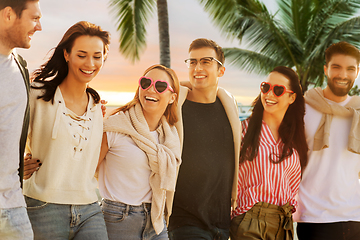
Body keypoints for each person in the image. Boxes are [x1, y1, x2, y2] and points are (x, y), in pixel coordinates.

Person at [22, 21, 110, 239]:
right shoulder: (36, 94)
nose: (90, 63)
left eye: (97, 56)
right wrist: (15, 165)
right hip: (43, 207)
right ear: (67, 54)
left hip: (90, 207)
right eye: (82, 55)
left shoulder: (98, 107)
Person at [97, 64, 181, 240]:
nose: (151, 89)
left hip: (156, 219)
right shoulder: (115, 126)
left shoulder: (169, 136)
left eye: (160, 86)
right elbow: (85, 169)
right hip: (118, 218)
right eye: (145, 82)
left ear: (172, 97)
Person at [168, 38, 241, 240]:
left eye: (206, 61)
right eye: (192, 62)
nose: (197, 67)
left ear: (221, 71)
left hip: (221, 222)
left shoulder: (229, 109)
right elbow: (149, 93)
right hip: (184, 220)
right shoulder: (175, 107)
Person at [230, 66, 308, 240]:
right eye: (266, 87)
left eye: (278, 90)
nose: (270, 94)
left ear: (292, 97)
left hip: (284, 223)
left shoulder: (294, 140)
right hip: (250, 218)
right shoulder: (243, 131)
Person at [295, 41, 360, 240]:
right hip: (314, 218)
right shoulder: (302, 108)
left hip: (355, 216)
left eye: (350, 69)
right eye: (336, 67)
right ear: (326, 69)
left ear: (357, 72)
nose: (343, 75)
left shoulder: (358, 110)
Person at [0, 0, 42, 239]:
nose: (39, 27)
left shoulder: (20, 66)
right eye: (34, 18)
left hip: (14, 205)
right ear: (8, 15)